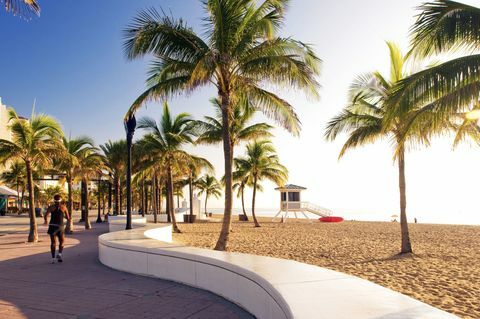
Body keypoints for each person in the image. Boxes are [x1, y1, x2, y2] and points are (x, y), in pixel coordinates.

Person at [44, 194, 70, 263]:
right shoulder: (64, 207)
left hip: (52, 226)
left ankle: (53, 258)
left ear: (54, 200)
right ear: (60, 200)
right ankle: (59, 254)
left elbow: (45, 216)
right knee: (62, 241)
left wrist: (46, 221)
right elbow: (68, 218)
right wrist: (62, 216)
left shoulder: (51, 207)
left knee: (53, 242)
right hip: (60, 226)